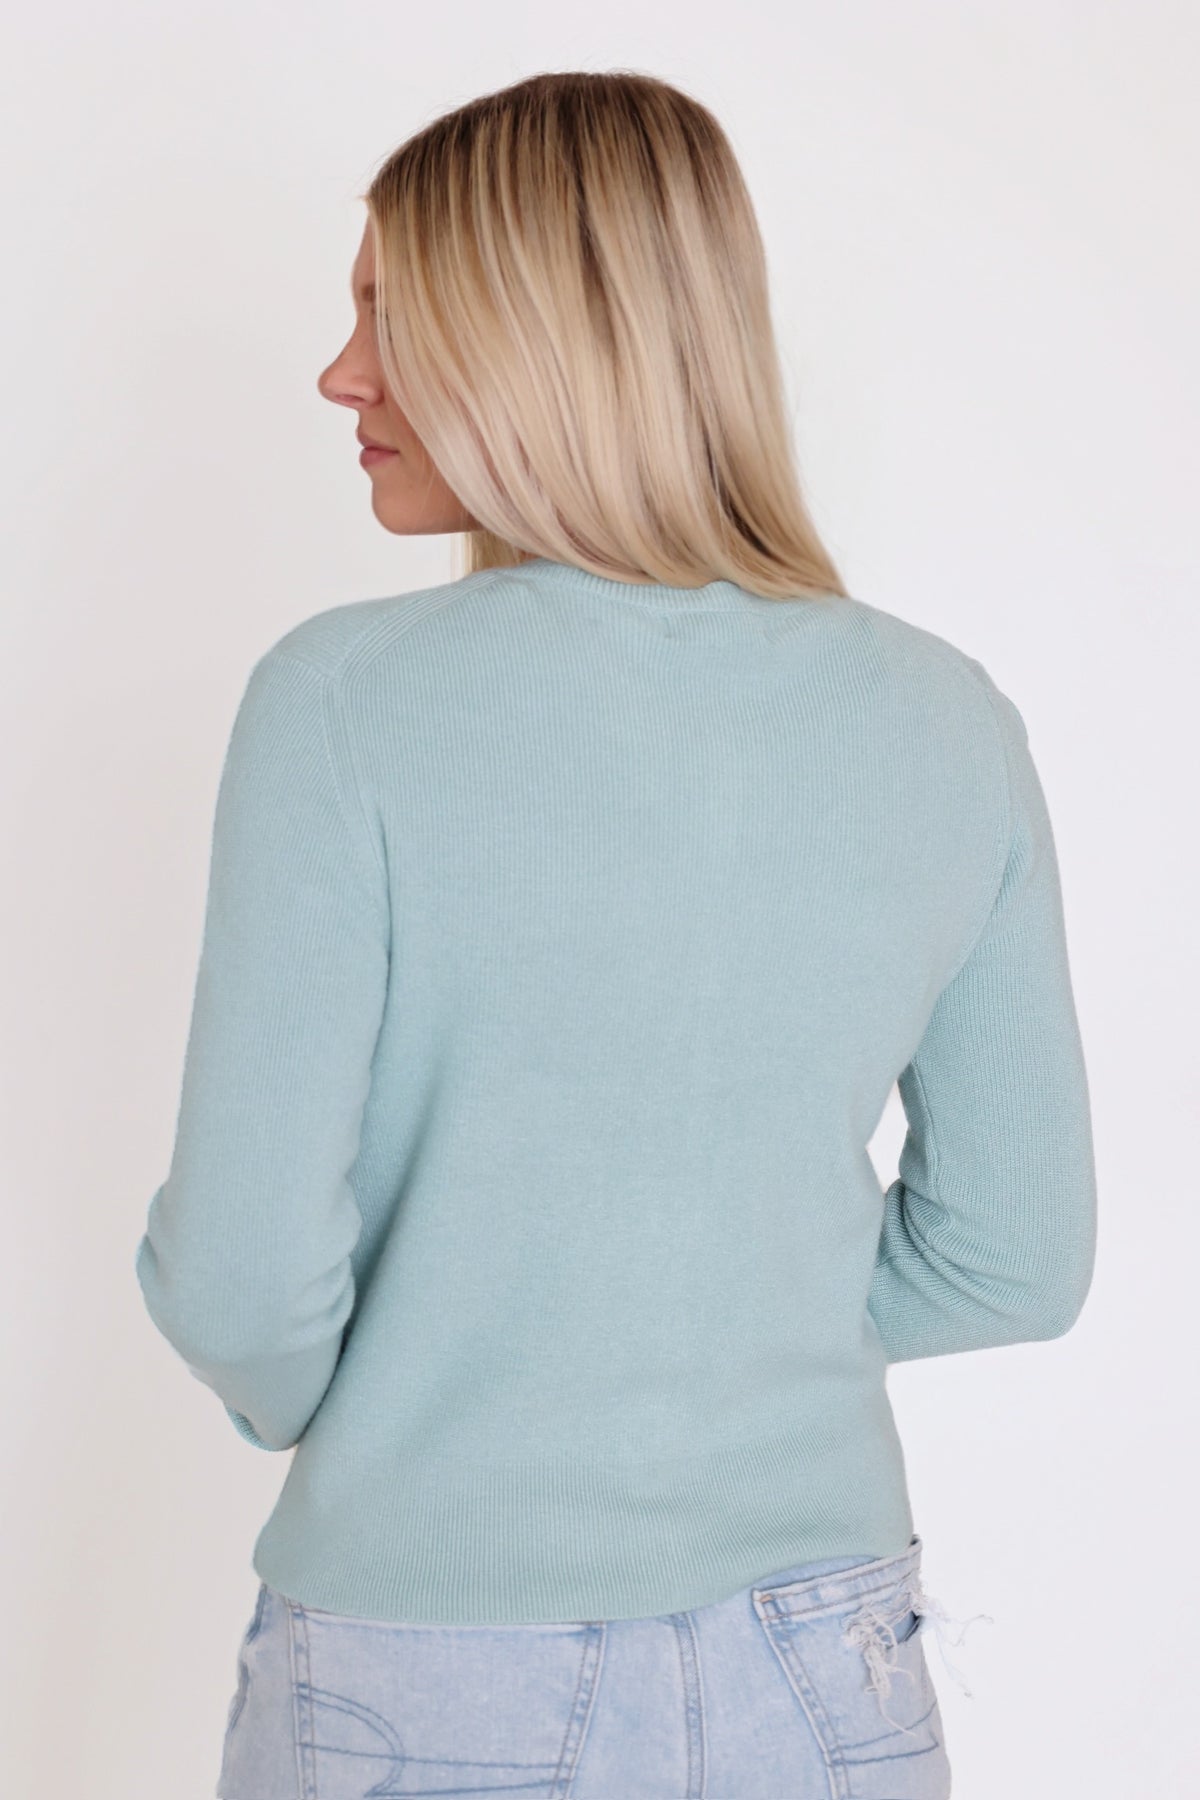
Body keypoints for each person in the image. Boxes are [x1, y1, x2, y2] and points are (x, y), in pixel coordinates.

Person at [133, 69, 1097, 1800]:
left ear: (534, 340)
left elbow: (238, 1279)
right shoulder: (945, 717)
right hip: (830, 1663)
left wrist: (405, 1387)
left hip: (432, 1655)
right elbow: (1014, 1255)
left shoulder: (341, 702)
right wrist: (709, 1333)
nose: (341, 374)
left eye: (390, 314)